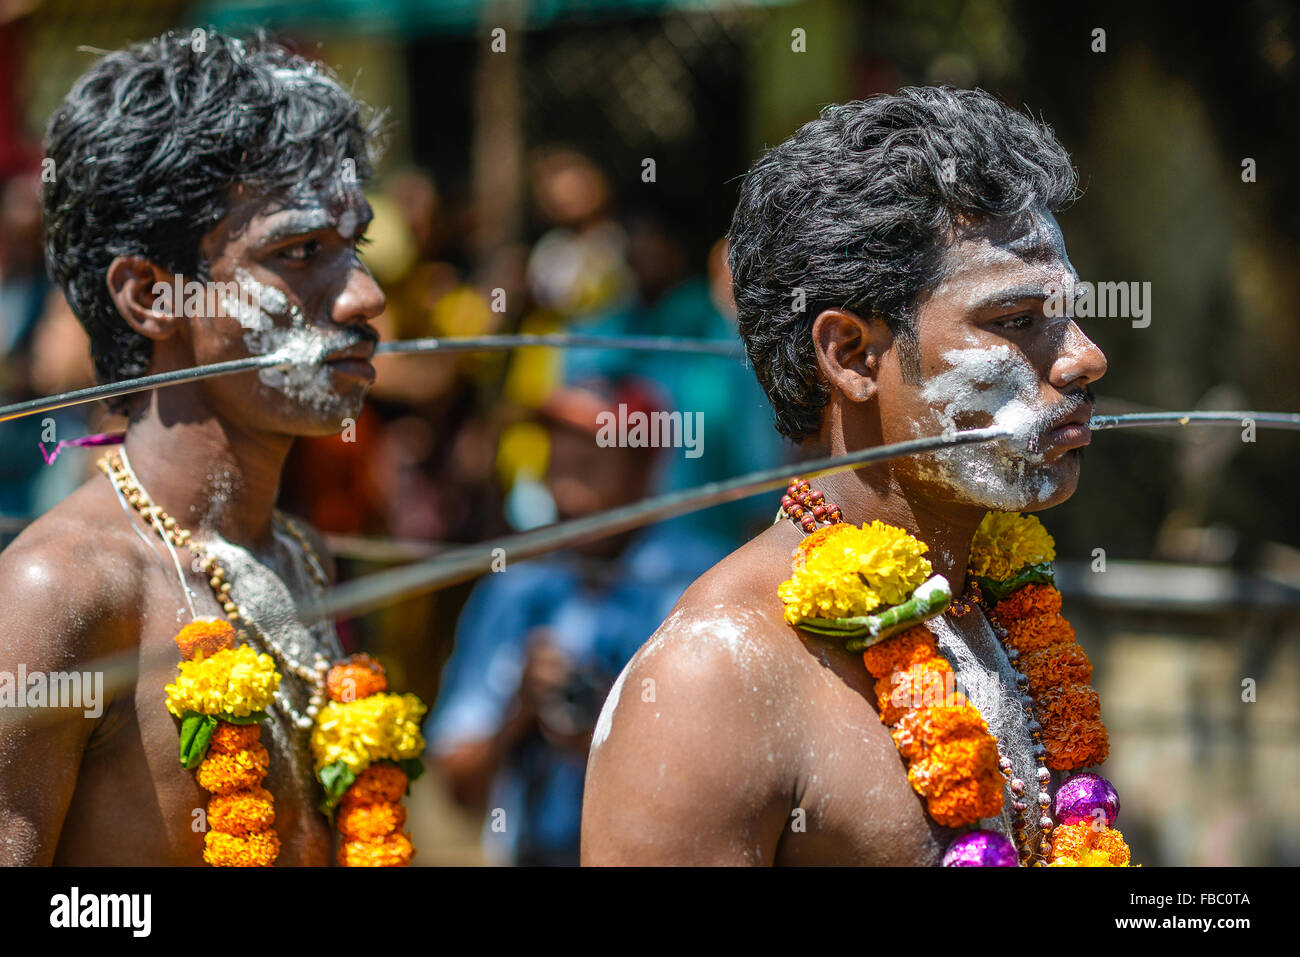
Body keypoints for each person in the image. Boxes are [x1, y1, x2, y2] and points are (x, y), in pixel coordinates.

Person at [581, 88, 1109, 865]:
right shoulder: (715, 678)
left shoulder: (1002, 609)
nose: (1085, 356)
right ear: (853, 355)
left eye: (1070, 313)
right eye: (1017, 321)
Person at [0, 32, 385, 865]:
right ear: (150, 295)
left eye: (357, 245)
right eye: (300, 253)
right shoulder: (59, 592)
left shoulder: (297, 556)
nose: (364, 294)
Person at [428, 379, 730, 864]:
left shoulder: (702, 588)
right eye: (556, 465)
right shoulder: (514, 587)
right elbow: (458, 787)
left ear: (644, 472)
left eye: (588, 469)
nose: (565, 491)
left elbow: (734, 784)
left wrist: (607, 733)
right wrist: (519, 713)